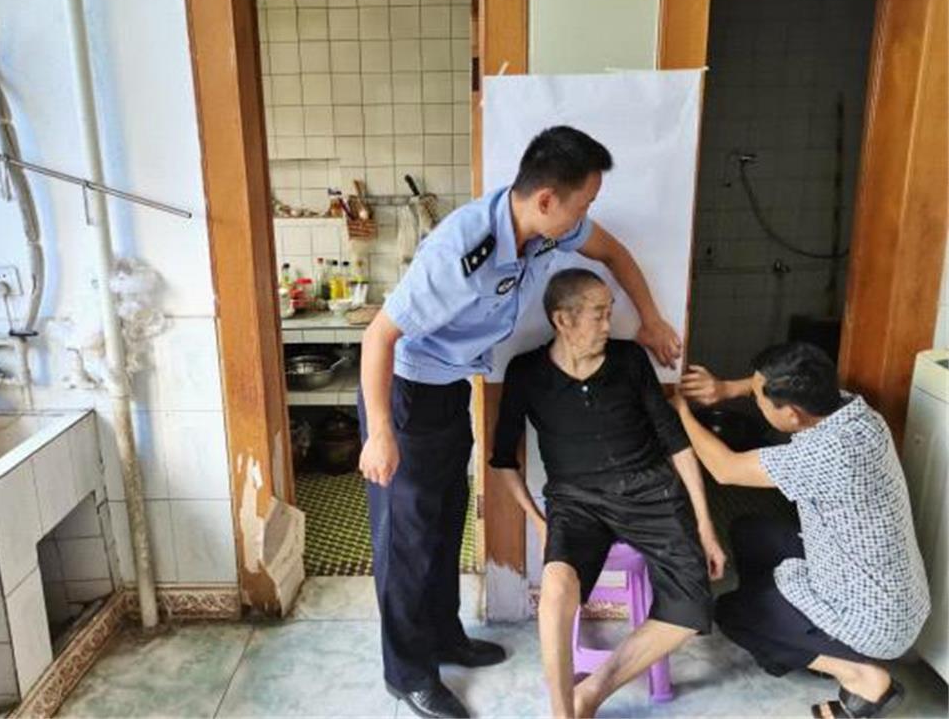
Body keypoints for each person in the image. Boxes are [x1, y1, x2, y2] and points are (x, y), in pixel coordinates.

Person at [357, 126, 682, 719]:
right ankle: (407, 674)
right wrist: (380, 431)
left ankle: (444, 634)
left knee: (446, 519)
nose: (587, 216)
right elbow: (379, 336)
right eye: (583, 203)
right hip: (404, 394)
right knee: (406, 539)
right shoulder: (461, 252)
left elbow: (613, 253)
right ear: (547, 200)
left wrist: (652, 319)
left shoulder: (547, 227)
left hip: (448, 387)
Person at [491, 268, 725, 719]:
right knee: (556, 588)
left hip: (650, 491)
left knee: (693, 607)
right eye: (598, 314)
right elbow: (502, 460)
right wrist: (539, 522)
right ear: (563, 320)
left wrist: (705, 527)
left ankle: (592, 694)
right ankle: (563, 713)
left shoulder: (629, 360)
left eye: (608, 313)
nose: (608, 325)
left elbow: (676, 443)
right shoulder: (526, 372)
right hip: (575, 500)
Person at [675, 343, 931, 719]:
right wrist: (727, 389)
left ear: (792, 414)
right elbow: (774, 385)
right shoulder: (855, 412)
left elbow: (725, 468)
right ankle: (798, 631)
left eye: (761, 402)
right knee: (751, 532)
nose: (756, 404)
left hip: (872, 621)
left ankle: (863, 677)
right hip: (890, 595)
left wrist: (680, 411)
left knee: (732, 613)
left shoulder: (828, 454)